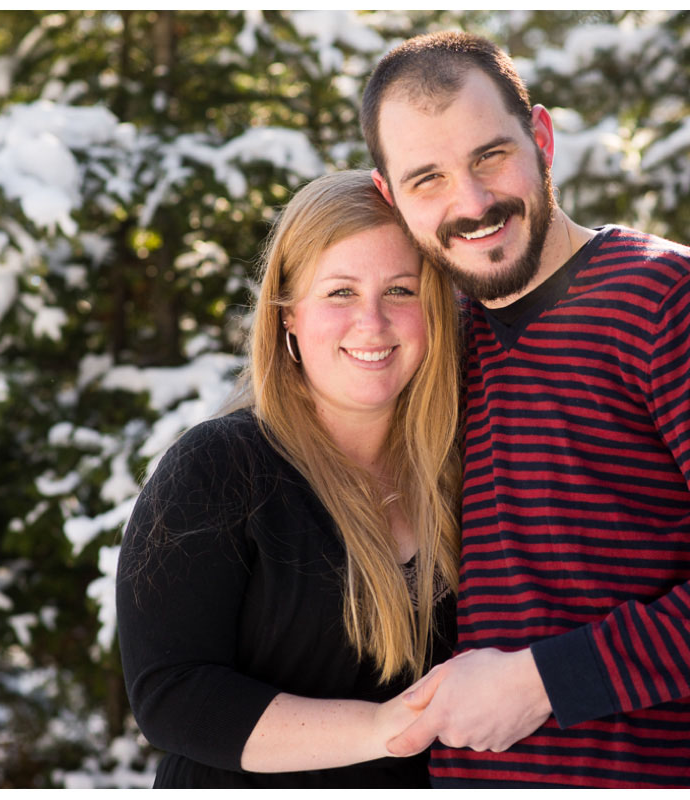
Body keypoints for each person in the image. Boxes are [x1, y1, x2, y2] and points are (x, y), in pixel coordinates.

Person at [359, 31, 690, 788]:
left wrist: (541, 682)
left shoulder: (674, 303)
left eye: (491, 156)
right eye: (428, 179)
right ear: (390, 196)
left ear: (542, 136)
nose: (474, 203)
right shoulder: (435, 340)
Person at [115, 170, 464, 788]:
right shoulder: (220, 469)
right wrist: (383, 729)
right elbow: (172, 694)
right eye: (339, 293)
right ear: (287, 319)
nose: (373, 322)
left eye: (402, 291)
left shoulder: (464, 474)